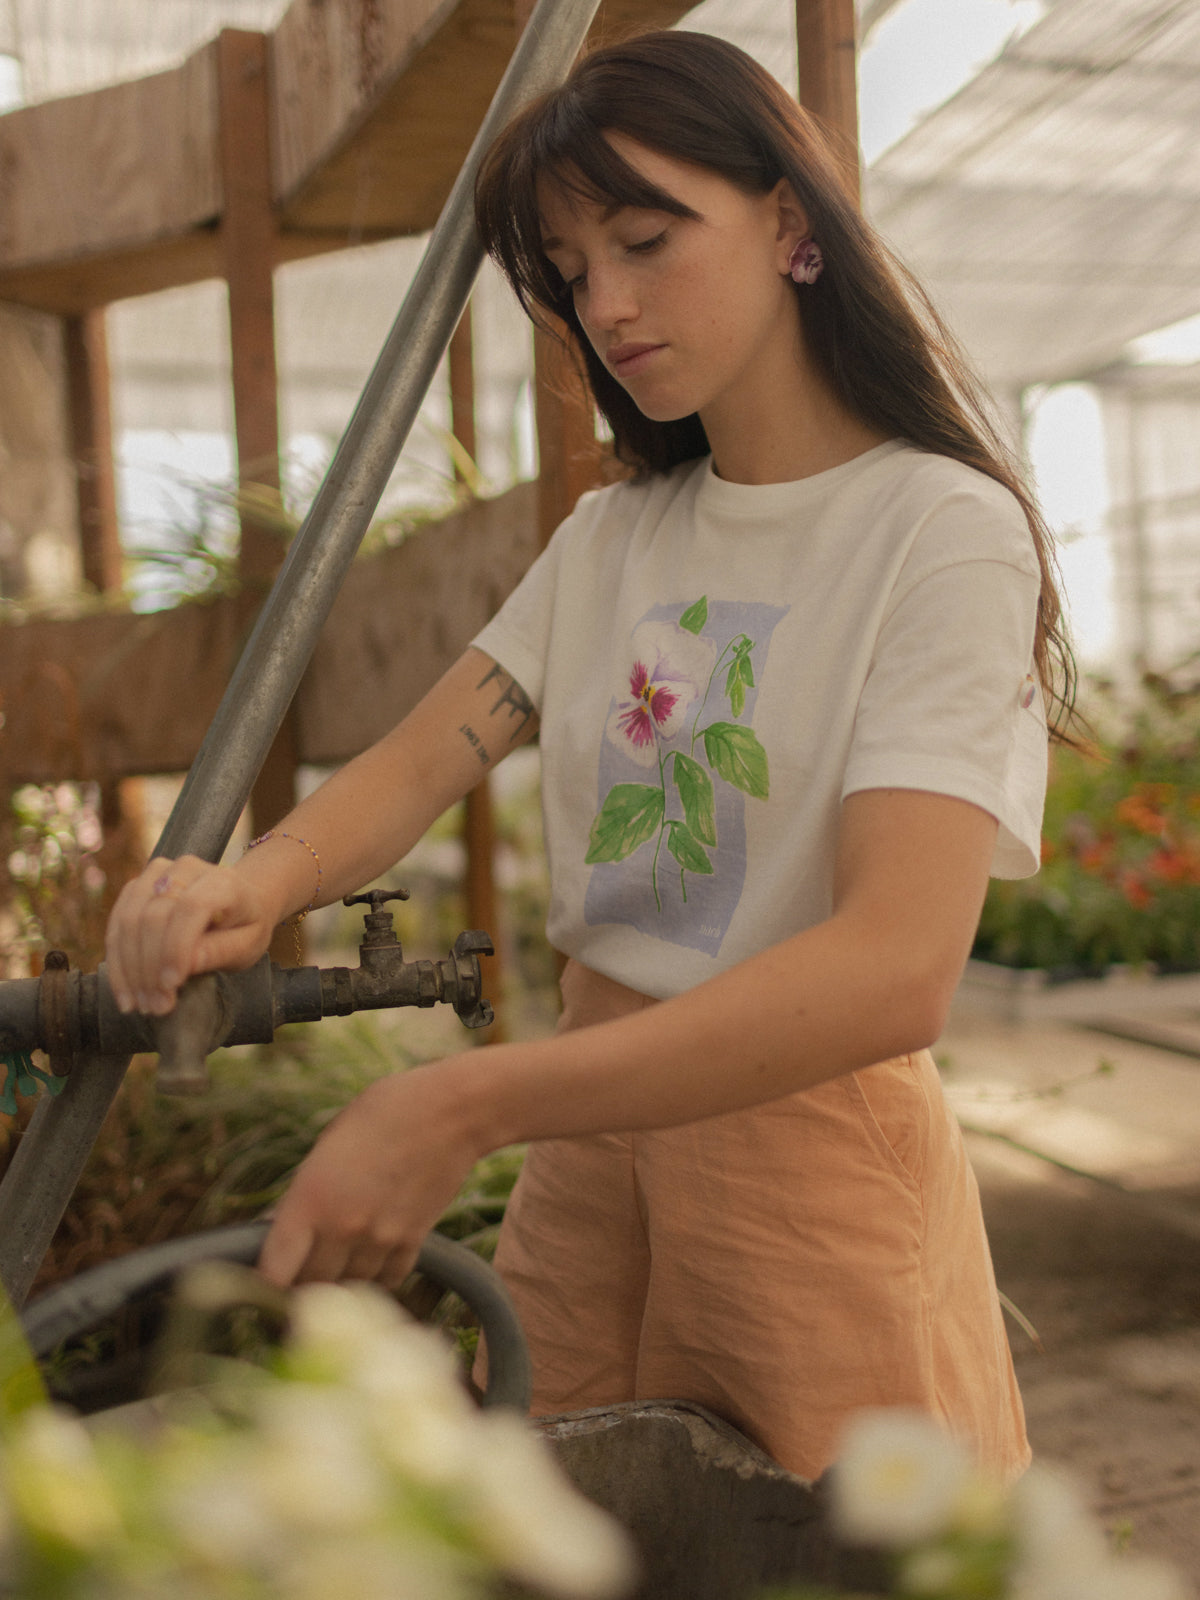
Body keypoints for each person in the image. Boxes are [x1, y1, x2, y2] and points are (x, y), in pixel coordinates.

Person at [105, 30, 1074, 1484]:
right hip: (591, 1164)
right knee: (557, 1530)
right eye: (570, 269)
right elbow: (425, 751)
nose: (605, 304)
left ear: (791, 225)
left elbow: (894, 966)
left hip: (809, 1181)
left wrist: (461, 1101)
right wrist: (246, 884)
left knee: (828, 1559)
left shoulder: (936, 529)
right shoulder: (615, 538)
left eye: (645, 239)